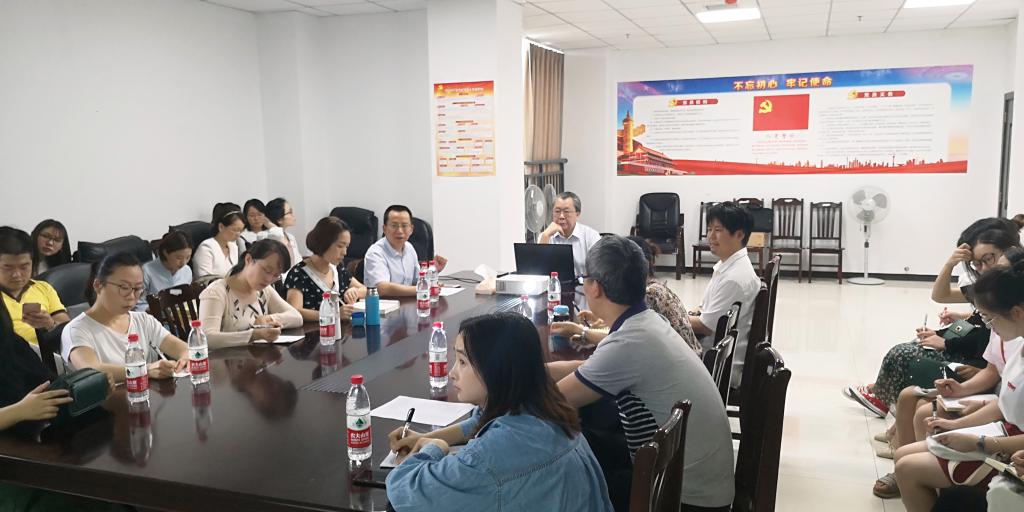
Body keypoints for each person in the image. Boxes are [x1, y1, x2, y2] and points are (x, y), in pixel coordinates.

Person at [547, 235, 734, 510]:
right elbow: (588, 369)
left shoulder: (629, 342)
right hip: (696, 483)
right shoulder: (646, 321)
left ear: (595, 287)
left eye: (584, 279)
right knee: (591, 436)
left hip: (683, 499)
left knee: (566, 472)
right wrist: (541, 370)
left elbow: (552, 400)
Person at [386, 312, 614, 512]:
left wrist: (435, 447)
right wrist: (433, 436)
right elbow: (483, 420)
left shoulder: (490, 457)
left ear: (496, 370)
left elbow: (403, 488)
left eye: (462, 362)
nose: (452, 373)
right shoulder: (547, 410)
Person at [873, 246, 1024, 499]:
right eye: (977, 264)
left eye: (991, 262)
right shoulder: (1013, 339)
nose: (986, 272)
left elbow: (1000, 394)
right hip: (1000, 423)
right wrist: (959, 418)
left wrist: (980, 442)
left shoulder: (1011, 334)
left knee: (913, 448)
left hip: (1006, 442)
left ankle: (928, 480)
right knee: (911, 401)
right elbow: (1002, 397)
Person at [847, 218, 1023, 419]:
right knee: (913, 350)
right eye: (976, 263)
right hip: (983, 364)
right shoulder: (988, 290)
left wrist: (947, 342)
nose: (983, 269)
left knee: (903, 356)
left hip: (980, 367)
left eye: (988, 259)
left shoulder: (1009, 299)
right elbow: (946, 300)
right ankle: (884, 395)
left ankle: (883, 396)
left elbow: (989, 342)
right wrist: (950, 265)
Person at [0, 298, 129, 511]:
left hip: (43, 439)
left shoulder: (10, 343)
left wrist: (89, 386)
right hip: (13, 465)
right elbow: (27, 406)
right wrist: (20, 411)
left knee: (113, 472)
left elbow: (49, 385)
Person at [551, 236, 701, 355]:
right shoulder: (656, 287)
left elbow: (624, 342)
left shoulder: (649, 294)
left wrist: (581, 331)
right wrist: (602, 321)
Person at [61, 252, 188, 383]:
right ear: (98, 285)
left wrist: (185, 358)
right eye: (124, 287)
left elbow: (183, 349)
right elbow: (92, 371)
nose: (132, 297)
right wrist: (145, 370)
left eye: (138, 289)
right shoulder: (76, 330)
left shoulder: (143, 320)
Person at [688, 202, 760, 389]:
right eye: (709, 229)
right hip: (716, 351)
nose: (710, 236)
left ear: (740, 234)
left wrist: (671, 316)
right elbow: (706, 309)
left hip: (718, 364)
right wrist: (689, 312)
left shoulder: (734, 278)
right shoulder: (730, 265)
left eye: (718, 230)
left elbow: (705, 326)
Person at [198, 239, 302, 349]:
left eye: (276, 275)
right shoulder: (216, 292)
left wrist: (270, 319)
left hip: (257, 356)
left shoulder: (264, 291)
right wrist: (254, 335)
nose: (269, 279)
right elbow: (206, 338)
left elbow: (297, 317)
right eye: (267, 271)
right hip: (226, 358)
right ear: (248, 259)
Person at [284, 217, 366, 321]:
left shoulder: (337, 268)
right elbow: (295, 311)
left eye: (346, 247)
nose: (345, 252)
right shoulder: (298, 273)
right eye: (340, 246)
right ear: (324, 243)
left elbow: (365, 290)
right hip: (315, 330)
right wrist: (333, 314)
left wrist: (355, 291)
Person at [0, 227, 69, 348]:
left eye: (24, 267)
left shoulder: (43, 288)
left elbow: (67, 329)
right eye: (8, 267)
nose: (17, 275)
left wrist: (50, 325)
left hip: (48, 353)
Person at [363, 205, 447, 297]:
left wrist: (433, 272)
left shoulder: (409, 248)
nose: (399, 231)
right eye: (394, 226)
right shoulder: (375, 253)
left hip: (407, 302)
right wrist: (422, 289)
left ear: (411, 229)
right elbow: (382, 288)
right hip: (383, 304)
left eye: (404, 226)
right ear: (384, 229)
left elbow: (417, 280)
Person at [540, 191, 601, 278]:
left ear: (577, 214)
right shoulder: (546, 235)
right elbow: (538, 271)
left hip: (583, 285)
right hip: (553, 284)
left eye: (566, 211)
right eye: (557, 211)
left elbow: (598, 271)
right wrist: (545, 236)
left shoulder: (591, 236)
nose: (561, 216)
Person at [139, 231, 193, 311]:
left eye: (188, 257)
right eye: (179, 258)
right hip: (154, 315)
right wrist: (156, 310)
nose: (183, 263)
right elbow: (138, 304)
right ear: (166, 252)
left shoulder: (187, 270)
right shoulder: (146, 271)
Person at [193, 204, 244, 281]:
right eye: (234, 230)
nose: (238, 234)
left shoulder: (233, 247)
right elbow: (204, 280)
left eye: (240, 230)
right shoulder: (206, 248)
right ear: (221, 227)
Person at [260, 197, 303, 273]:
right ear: (279, 219)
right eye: (290, 212)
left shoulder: (291, 237)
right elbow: (277, 237)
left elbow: (298, 261)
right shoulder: (264, 236)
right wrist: (269, 224)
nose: (293, 215)